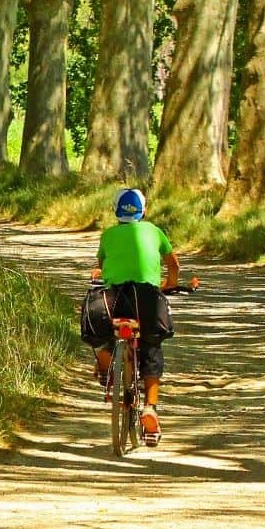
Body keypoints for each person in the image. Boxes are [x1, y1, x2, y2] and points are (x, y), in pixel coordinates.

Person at [92, 187, 181, 444]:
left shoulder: (108, 235)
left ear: (115, 211)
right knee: (152, 346)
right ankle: (151, 408)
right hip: (147, 297)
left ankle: (108, 362)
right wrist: (169, 284)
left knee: (108, 332)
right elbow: (173, 265)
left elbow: (101, 266)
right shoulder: (154, 231)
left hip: (115, 297)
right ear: (144, 211)